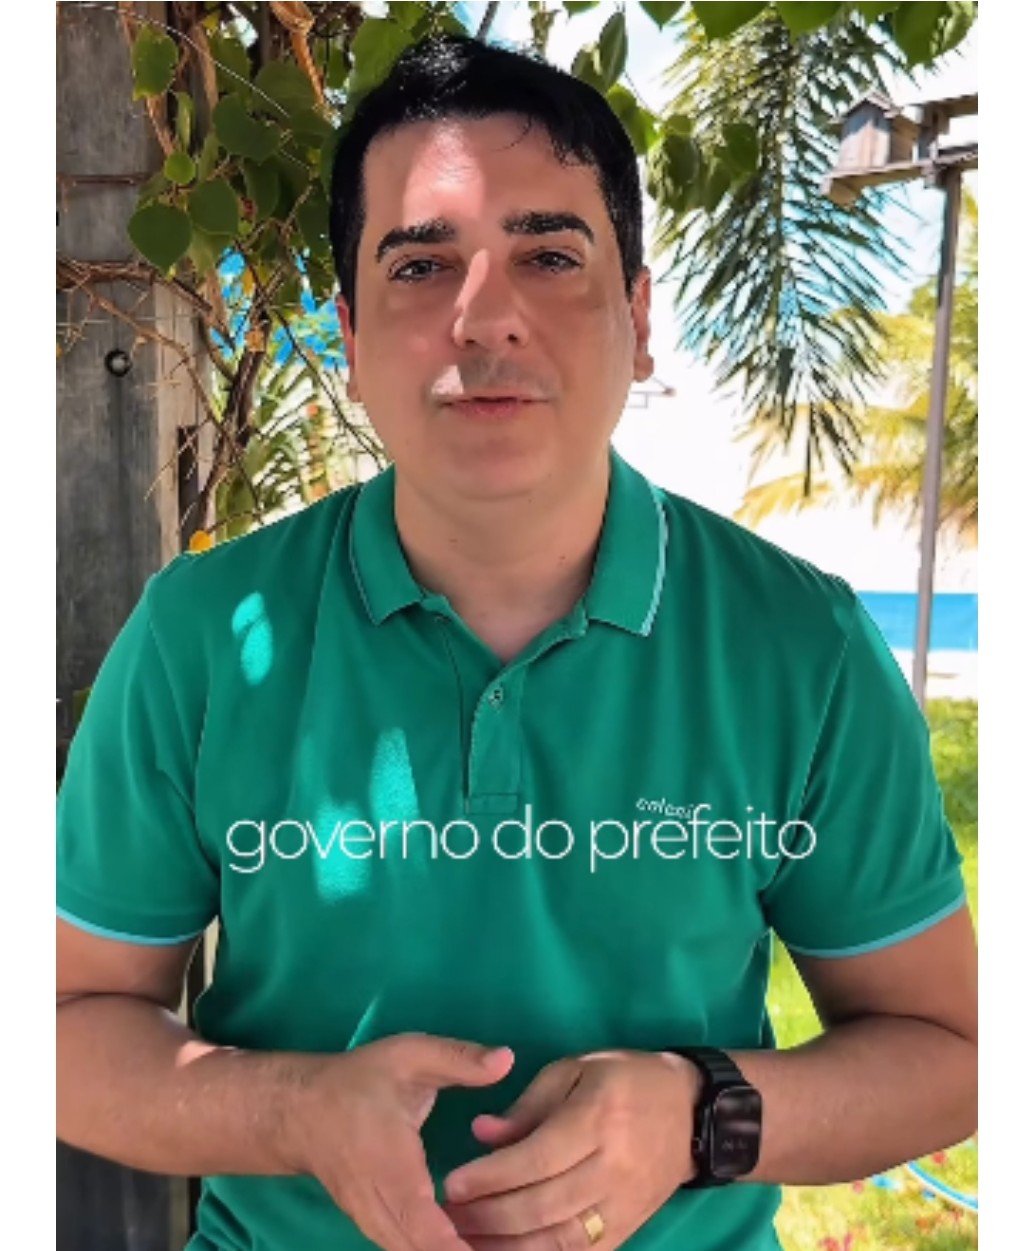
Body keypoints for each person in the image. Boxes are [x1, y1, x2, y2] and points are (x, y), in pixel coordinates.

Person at [57, 32, 977, 1251]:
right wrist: (293, 1111)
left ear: (637, 317)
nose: (483, 318)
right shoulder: (206, 636)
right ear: (347, 334)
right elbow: (65, 1023)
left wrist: (698, 1115)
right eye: (420, 265)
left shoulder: (798, 645)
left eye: (548, 255)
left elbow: (948, 1052)